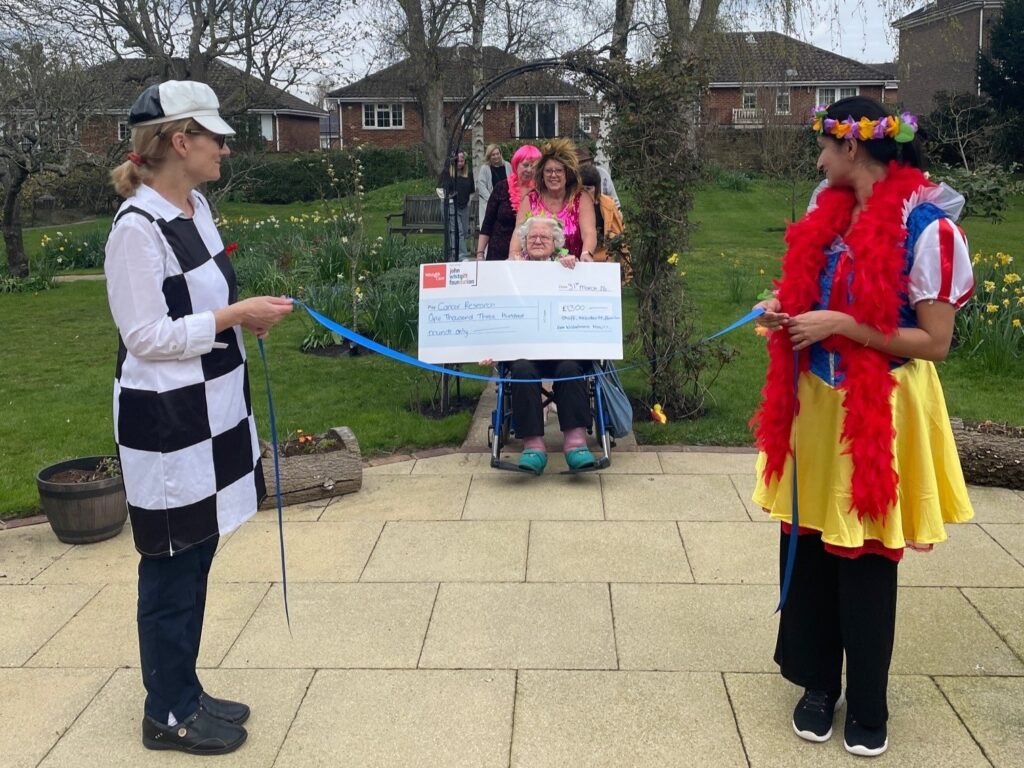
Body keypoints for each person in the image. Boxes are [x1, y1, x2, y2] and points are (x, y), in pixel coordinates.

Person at [750, 96, 975, 758]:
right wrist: (786, 307)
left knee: (868, 556)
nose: (819, 160)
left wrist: (845, 326)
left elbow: (934, 343)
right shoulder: (828, 213)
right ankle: (817, 682)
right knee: (811, 542)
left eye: (824, 148)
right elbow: (816, 292)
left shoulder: (929, 229)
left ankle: (868, 702)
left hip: (882, 407)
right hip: (817, 406)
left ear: (852, 148)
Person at [105, 80, 293, 755]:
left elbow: (202, 303)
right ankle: (167, 713)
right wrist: (234, 316)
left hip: (213, 409)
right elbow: (144, 336)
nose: (225, 148)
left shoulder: (196, 207)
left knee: (197, 554)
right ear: (180, 142)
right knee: (170, 563)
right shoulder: (137, 228)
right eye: (216, 136)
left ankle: (183, 688)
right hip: (167, 423)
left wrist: (242, 319)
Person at [505, 215, 596, 474]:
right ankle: (533, 446)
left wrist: (572, 267)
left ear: (555, 242)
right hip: (525, 351)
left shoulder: (567, 266)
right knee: (522, 370)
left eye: (544, 237)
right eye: (532, 237)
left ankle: (576, 443)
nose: (537, 240)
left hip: (562, 349)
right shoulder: (510, 270)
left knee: (570, 368)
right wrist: (489, 348)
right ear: (524, 241)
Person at [510, 138, 597, 261]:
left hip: (574, 268)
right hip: (536, 268)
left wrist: (586, 253)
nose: (553, 175)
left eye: (559, 171)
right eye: (548, 171)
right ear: (542, 174)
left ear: (567, 174)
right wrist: (514, 256)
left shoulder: (581, 199)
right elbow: (518, 235)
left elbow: (589, 233)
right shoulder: (530, 200)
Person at [476, 144, 541, 261]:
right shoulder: (501, 187)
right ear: (516, 164)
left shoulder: (540, 192)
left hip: (530, 256)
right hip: (498, 254)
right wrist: (480, 254)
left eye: (533, 166)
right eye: (525, 165)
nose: (529, 170)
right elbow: (487, 223)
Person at [579, 165, 626, 265]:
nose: (584, 193)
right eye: (581, 189)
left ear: (597, 189)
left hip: (604, 259)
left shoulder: (608, 205)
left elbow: (619, 237)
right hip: (577, 258)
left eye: (588, 189)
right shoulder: (571, 206)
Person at [439, 150, 474, 260]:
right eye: (457, 160)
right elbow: (439, 189)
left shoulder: (469, 174)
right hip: (451, 205)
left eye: (462, 160)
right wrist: (447, 200)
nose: (460, 162)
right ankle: (462, 256)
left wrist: (468, 202)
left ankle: (453, 254)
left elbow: (471, 191)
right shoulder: (447, 173)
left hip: (464, 206)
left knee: (464, 232)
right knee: (457, 231)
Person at [476, 143, 512, 226]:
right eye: (493, 155)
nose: (496, 156)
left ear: (500, 154)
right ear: (489, 156)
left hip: (505, 202)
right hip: (491, 203)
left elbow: (512, 182)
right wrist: (492, 200)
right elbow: (481, 185)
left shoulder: (507, 166)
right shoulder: (485, 168)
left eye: (497, 154)